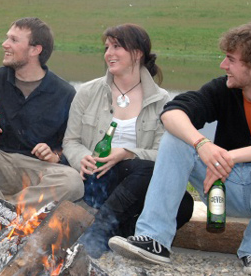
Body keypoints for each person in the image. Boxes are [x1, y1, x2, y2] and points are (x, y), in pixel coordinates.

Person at [109, 21, 251, 276]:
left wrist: (228, 157)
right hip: (223, 190)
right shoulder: (223, 89)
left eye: (231, 60)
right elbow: (172, 113)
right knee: (176, 139)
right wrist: (203, 145)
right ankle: (154, 239)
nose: (223, 65)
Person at [63, 24, 193, 258]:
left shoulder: (161, 100)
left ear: (137, 53)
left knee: (184, 202)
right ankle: (96, 235)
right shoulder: (88, 91)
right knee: (145, 173)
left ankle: (117, 237)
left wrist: (127, 153)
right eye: (107, 47)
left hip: (136, 181)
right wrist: (83, 158)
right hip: (96, 178)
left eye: (116, 47)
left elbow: (163, 154)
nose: (109, 53)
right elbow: (71, 141)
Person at [0, 17, 84, 233]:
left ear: (35, 49)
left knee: (73, 182)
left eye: (13, 40)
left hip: (35, 171)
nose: (5, 44)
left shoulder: (64, 92)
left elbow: (69, 145)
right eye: (7, 38)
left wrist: (55, 155)